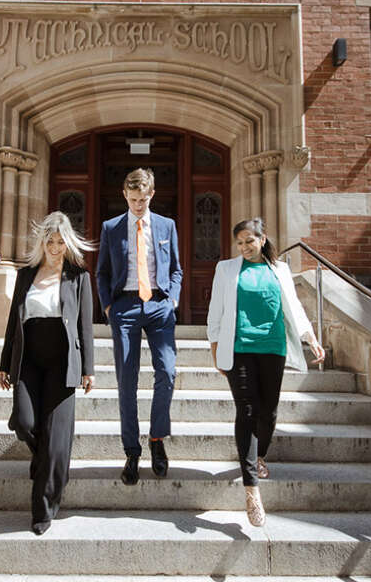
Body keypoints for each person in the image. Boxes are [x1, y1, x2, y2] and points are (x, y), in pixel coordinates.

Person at [205, 217, 325, 526]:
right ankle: (252, 490)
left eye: (250, 241)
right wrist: (216, 349)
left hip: (273, 347)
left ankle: (259, 455)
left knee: (268, 412)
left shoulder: (280, 270)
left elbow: (293, 307)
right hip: (240, 347)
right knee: (246, 410)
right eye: (240, 242)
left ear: (263, 239)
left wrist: (310, 338)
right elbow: (215, 310)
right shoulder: (226, 269)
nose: (244, 247)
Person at [0, 211, 97, 535]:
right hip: (29, 359)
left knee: (56, 442)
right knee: (25, 423)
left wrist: (88, 370)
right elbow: (14, 321)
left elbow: (84, 327)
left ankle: (43, 509)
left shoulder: (78, 277)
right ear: (42, 242)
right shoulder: (26, 274)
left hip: (62, 361)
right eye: (49, 241)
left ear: (68, 243)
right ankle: (45, 463)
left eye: (60, 242)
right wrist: (4, 364)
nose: (54, 248)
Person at [96, 167, 183, 485]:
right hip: (125, 307)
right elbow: (102, 271)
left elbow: (176, 269)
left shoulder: (166, 225)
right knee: (126, 382)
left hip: (159, 306)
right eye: (132, 199)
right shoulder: (111, 227)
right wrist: (109, 306)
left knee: (167, 372)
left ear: (152, 195)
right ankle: (131, 451)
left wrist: (172, 299)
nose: (137, 204)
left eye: (142, 199)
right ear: (124, 195)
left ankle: (157, 439)